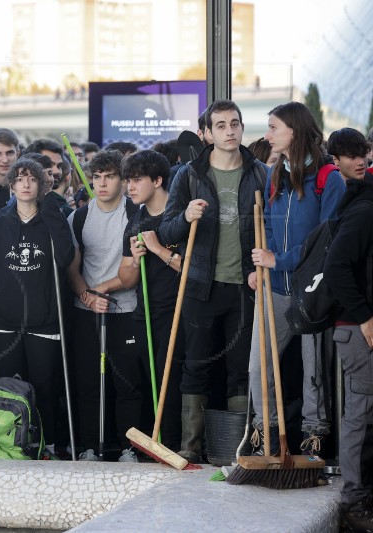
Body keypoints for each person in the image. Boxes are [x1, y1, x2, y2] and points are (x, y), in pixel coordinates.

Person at [157, 99, 267, 463]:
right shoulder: (189, 175)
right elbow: (167, 229)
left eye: (235, 123)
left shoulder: (260, 173)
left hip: (245, 286)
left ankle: (236, 446)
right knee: (196, 364)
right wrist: (185, 215)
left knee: (241, 368)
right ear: (208, 132)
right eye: (221, 125)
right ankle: (190, 447)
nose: (229, 131)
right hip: (201, 284)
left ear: (241, 127)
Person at [247, 101, 345, 455]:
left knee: (314, 370)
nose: (268, 134)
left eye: (274, 127)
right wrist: (262, 264)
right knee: (259, 367)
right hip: (274, 286)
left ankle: (315, 435)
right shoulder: (275, 173)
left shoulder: (327, 177)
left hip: (312, 290)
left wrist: (279, 260)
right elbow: (270, 228)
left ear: (294, 130)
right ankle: (266, 433)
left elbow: (326, 241)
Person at [0, 157, 74, 456]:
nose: (25, 184)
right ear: (11, 185)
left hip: (44, 321)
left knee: (44, 387)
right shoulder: (0, 225)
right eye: (19, 179)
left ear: (41, 185)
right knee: (8, 386)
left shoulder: (52, 219)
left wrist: (50, 211)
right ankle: (10, 442)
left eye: (32, 179)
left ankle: (46, 444)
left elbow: (65, 257)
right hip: (4, 321)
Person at [66, 149, 142, 462]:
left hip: (124, 309)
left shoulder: (135, 213)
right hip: (86, 313)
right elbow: (71, 266)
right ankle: (89, 446)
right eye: (96, 177)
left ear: (123, 181)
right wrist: (86, 295)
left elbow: (133, 273)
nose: (101, 183)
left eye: (109, 176)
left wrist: (100, 291)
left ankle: (129, 447)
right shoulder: (79, 216)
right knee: (88, 383)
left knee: (127, 383)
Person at [117, 150, 184, 452]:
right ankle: (158, 442)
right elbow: (127, 277)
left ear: (158, 180)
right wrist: (134, 259)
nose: (129, 187)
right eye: (128, 181)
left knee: (172, 383)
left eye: (137, 180)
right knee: (151, 380)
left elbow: (192, 268)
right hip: (144, 312)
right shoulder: (135, 219)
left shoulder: (179, 214)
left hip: (178, 311)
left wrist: (157, 249)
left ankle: (174, 444)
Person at [324, 171, 373, 532]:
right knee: (362, 413)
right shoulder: (365, 209)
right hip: (359, 329)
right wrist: (365, 316)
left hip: (361, 325)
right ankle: (353, 504)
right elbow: (335, 267)